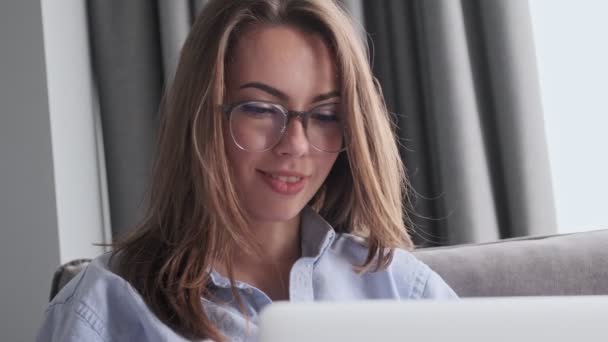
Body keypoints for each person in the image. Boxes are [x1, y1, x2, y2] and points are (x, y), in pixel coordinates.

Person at [37, 0, 457, 341]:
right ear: (202, 116)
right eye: (259, 109)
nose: (295, 144)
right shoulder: (105, 307)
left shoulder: (401, 288)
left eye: (326, 115)